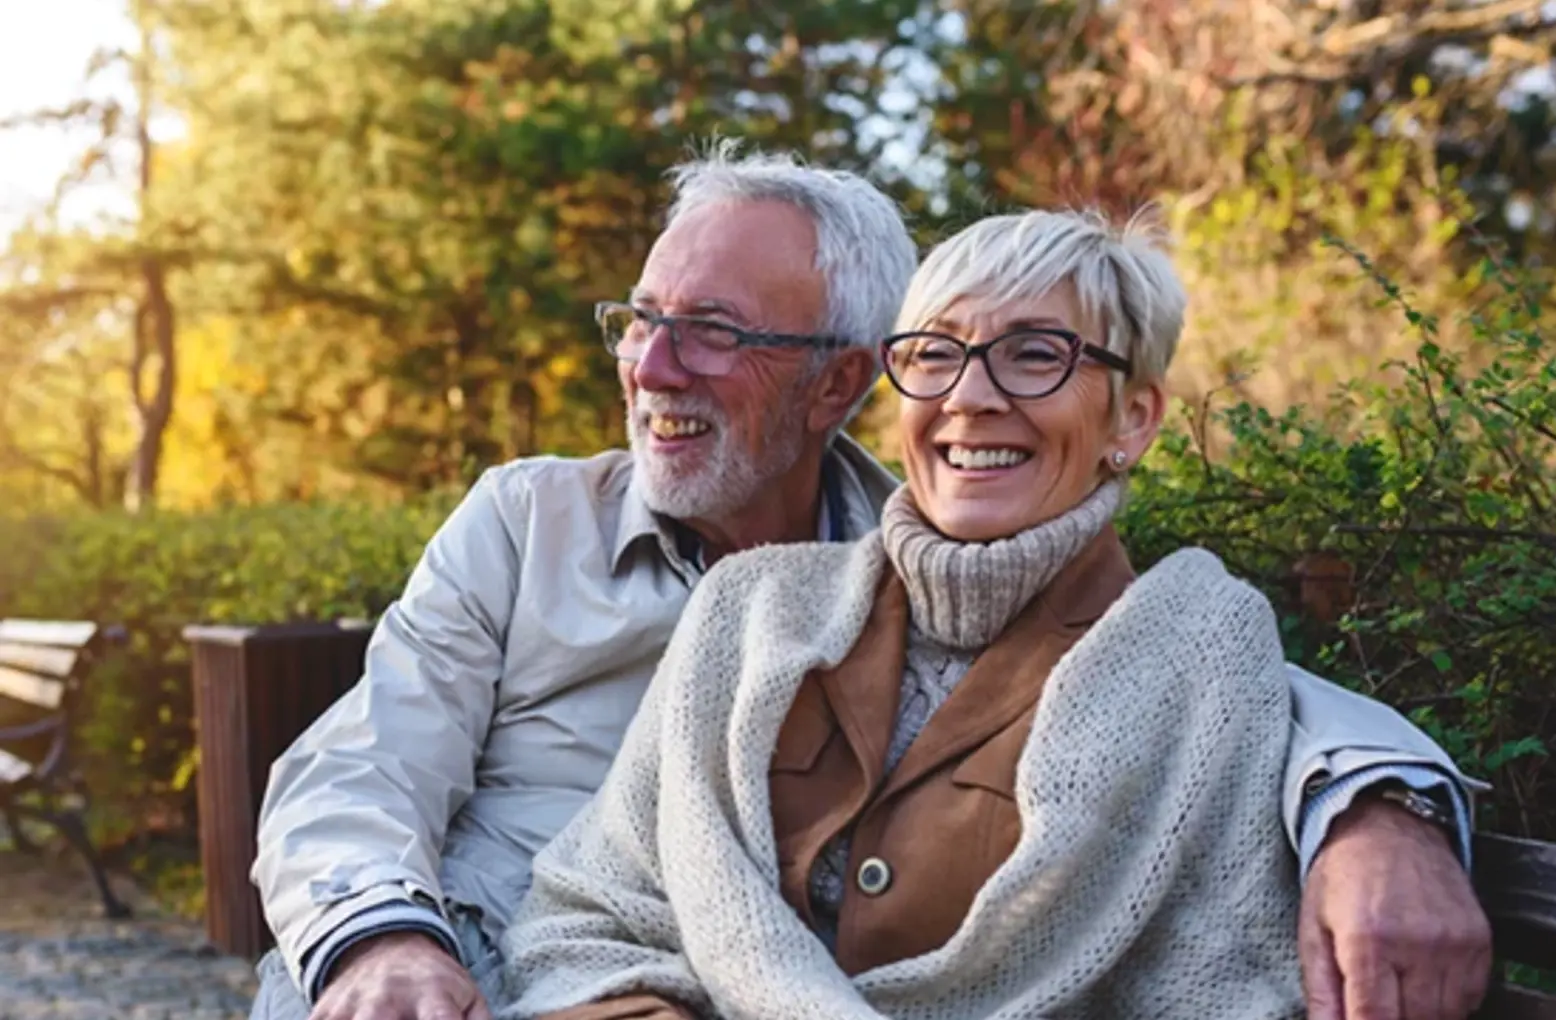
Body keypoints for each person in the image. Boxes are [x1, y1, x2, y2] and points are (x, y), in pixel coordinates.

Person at [250, 147, 1489, 1020]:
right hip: (449, 962)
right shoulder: (536, 524)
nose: (653, 367)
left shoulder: (930, 554)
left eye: (714, 331)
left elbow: (1202, 675)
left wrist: (1379, 806)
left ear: (842, 383)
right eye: (639, 319)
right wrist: (379, 941)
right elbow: (361, 767)